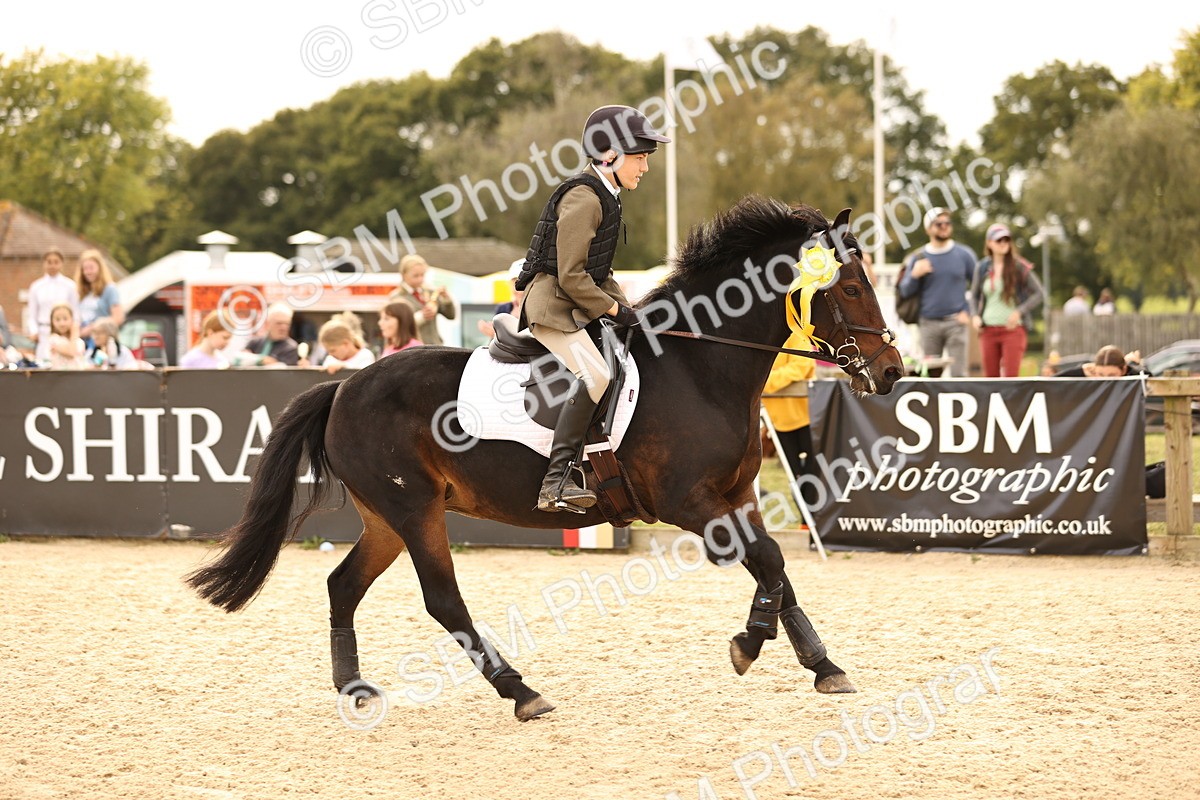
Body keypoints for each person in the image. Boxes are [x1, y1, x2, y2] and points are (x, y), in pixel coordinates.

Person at [519, 104, 669, 512]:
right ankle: (556, 481)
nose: (645, 168)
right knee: (597, 375)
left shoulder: (607, 196)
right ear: (610, 155)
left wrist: (633, 310)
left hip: (574, 306)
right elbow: (571, 277)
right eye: (640, 158)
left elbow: (600, 273)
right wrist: (616, 312)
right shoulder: (584, 199)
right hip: (552, 308)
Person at [896, 208, 977, 376]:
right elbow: (904, 291)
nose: (944, 226)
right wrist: (914, 275)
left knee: (959, 374)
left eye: (947, 223)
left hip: (957, 323)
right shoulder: (918, 257)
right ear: (928, 229)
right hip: (928, 324)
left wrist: (968, 310)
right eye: (938, 224)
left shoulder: (964, 255)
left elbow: (979, 286)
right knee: (930, 374)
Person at [969, 223, 1045, 377]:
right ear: (989, 243)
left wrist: (1019, 312)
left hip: (1012, 330)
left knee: (1011, 377)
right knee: (990, 379)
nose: (1003, 243)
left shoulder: (1018, 266)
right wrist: (975, 316)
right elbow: (974, 295)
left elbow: (1039, 293)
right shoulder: (982, 267)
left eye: (1006, 240)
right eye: (999, 240)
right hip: (988, 330)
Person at [762, 331, 819, 512]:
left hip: (809, 417)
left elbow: (802, 365)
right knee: (795, 476)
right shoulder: (761, 336)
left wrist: (765, 380)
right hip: (779, 422)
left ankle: (814, 519)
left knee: (815, 472)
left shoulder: (796, 334)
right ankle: (806, 520)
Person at [26, 247, 79, 363]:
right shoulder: (36, 286)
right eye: (49, 262)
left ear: (61, 263)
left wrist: (73, 335)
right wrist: (34, 331)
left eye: (56, 262)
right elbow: (32, 315)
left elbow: (75, 314)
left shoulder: (70, 286)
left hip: (63, 333)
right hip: (43, 333)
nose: (52, 266)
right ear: (44, 263)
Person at [389, 254, 456, 345]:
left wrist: (446, 299)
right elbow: (398, 326)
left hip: (435, 346)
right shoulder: (397, 297)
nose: (420, 279)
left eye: (422, 275)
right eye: (416, 276)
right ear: (404, 275)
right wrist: (422, 316)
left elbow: (451, 315)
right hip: (413, 348)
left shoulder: (430, 292)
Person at [75, 249, 123, 341]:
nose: (88, 272)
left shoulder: (110, 289)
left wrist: (93, 328)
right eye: (85, 269)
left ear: (100, 268)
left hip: (101, 339)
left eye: (91, 268)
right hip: (83, 341)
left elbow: (118, 318)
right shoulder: (82, 292)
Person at [478, 259, 527, 339]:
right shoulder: (502, 309)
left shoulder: (539, 309)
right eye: (514, 282)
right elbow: (496, 343)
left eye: (522, 283)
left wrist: (498, 334)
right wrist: (494, 334)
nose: (517, 289)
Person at [1054, 345, 1145, 377]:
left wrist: (1132, 364)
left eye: (1111, 375)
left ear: (1123, 370)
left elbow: (1147, 378)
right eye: (1101, 374)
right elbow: (1050, 383)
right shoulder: (1092, 378)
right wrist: (1081, 370)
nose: (1106, 380)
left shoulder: (1129, 374)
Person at [46, 304, 87, 369]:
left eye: (65, 319)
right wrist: (75, 333)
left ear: (72, 319)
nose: (62, 323)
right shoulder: (53, 339)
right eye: (57, 319)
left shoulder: (79, 342)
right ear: (52, 322)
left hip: (78, 374)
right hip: (61, 375)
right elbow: (71, 352)